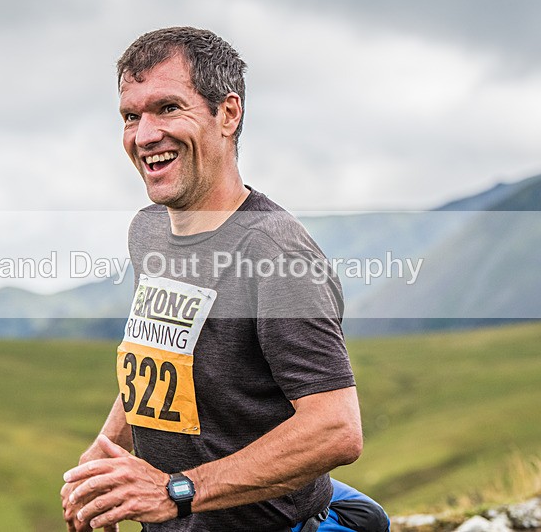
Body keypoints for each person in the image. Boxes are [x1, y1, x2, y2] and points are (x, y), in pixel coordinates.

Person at [61, 26, 389, 532]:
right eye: (131, 116)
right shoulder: (148, 230)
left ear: (227, 114)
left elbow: (335, 430)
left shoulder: (274, 251)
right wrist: (104, 452)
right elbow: (160, 354)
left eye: (168, 108)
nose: (144, 136)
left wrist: (177, 492)